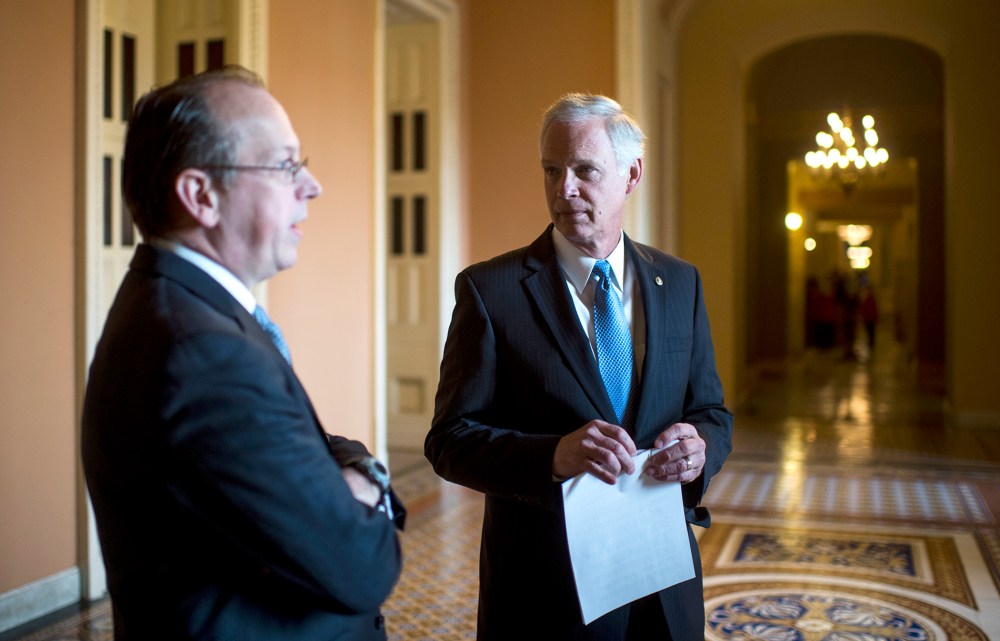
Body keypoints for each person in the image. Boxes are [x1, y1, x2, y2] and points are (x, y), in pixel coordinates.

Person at [82, 66, 403, 641]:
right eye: (284, 165)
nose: (312, 186)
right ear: (201, 194)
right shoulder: (205, 353)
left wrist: (341, 480)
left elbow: (283, 453)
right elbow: (361, 568)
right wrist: (370, 479)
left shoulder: (178, 305)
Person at [425, 93, 733, 640]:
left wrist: (699, 449)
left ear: (631, 174)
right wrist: (553, 455)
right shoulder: (490, 291)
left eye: (585, 170)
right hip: (546, 593)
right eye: (551, 170)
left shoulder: (680, 282)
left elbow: (711, 411)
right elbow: (449, 441)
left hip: (664, 589)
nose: (563, 189)